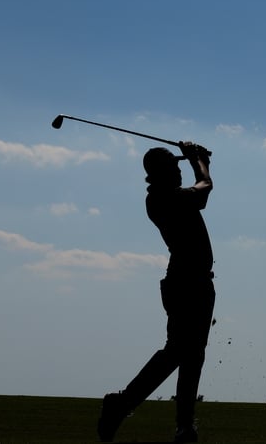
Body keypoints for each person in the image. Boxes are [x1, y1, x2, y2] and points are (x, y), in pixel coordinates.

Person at [98, 142, 216, 443]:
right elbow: (204, 188)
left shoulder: (164, 195)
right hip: (187, 283)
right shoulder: (165, 198)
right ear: (163, 173)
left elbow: (201, 188)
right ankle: (125, 404)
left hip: (193, 282)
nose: (179, 173)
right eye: (175, 169)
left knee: (191, 355)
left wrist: (197, 160)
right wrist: (198, 161)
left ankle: (183, 426)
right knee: (179, 351)